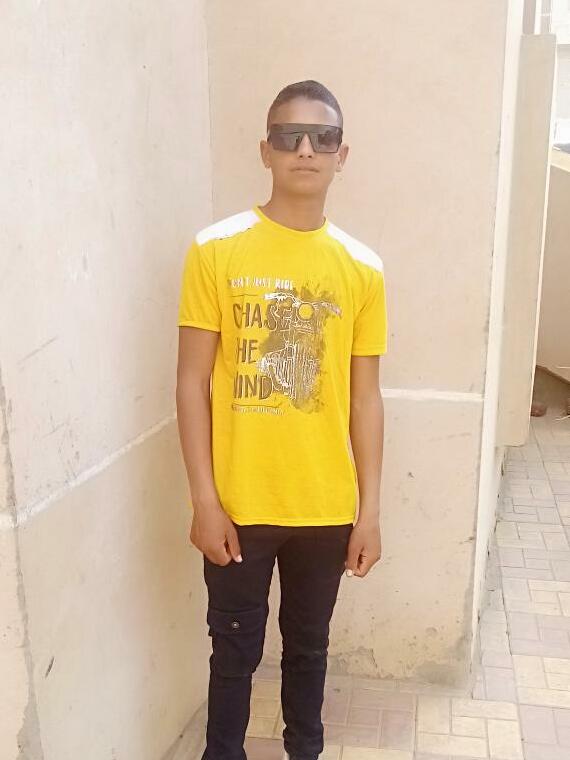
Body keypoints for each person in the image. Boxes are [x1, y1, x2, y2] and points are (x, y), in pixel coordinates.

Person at [176, 79, 388, 760]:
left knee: (309, 649)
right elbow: (191, 383)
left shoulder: (362, 268)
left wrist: (369, 512)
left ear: (341, 155)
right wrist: (205, 501)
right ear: (264, 150)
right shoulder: (216, 249)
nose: (305, 149)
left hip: (324, 507)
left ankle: (306, 751)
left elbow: (365, 398)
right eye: (288, 136)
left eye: (323, 138)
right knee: (233, 652)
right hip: (239, 504)